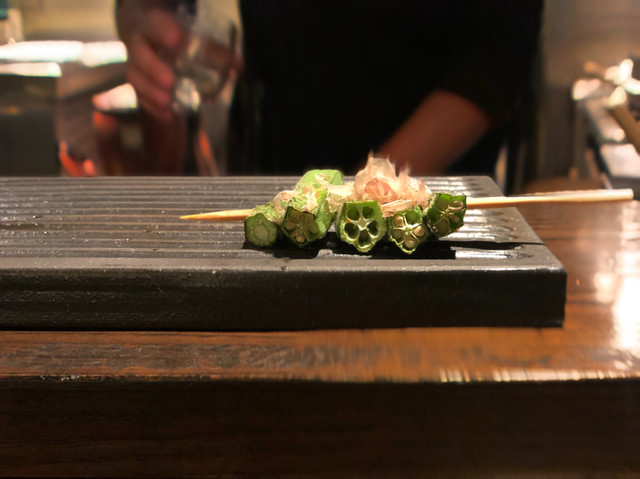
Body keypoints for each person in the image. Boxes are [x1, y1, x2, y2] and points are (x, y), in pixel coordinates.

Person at [116, 0, 543, 177]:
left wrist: (349, 201)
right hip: (268, 171)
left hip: (424, 217)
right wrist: (138, 16)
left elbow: (493, 65)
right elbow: (149, 9)